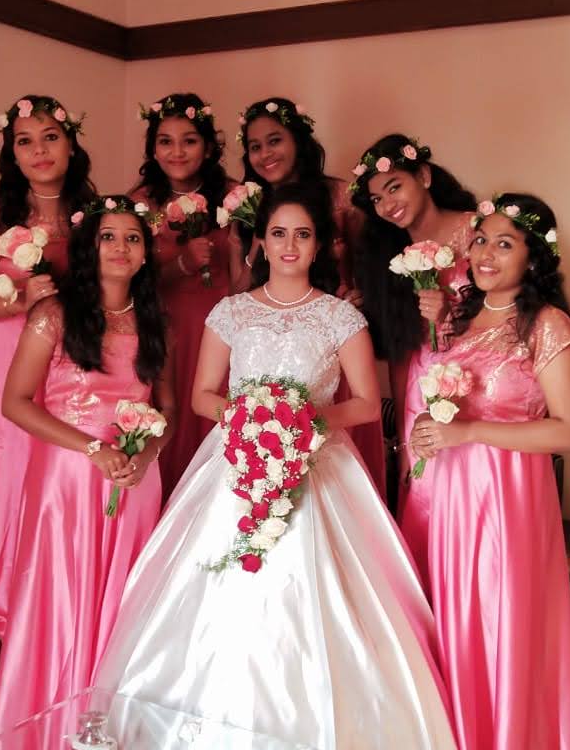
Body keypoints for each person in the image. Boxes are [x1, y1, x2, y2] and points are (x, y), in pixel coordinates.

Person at [97, 184, 482, 750]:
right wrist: (253, 421)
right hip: (234, 466)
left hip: (319, 468)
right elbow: (204, 395)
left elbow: (365, 401)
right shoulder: (231, 311)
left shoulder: (341, 317)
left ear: (318, 245)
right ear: (260, 241)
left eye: (303, 234)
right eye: (279, 233)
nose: (290, 246)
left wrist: (303, 422)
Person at [410, 194, 570, 750]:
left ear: (533, 259)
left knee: (501, 631)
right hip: (446, 498)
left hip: (508, 505)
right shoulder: (455, 317)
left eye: (506, 244)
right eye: (481, 240)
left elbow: (567, 431)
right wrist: (430, 432)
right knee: (452, 630)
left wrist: (473, 431)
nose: (485, 254)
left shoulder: (547, 324)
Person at [0, 197, 173, 750]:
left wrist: (147, 454)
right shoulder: (55, 313)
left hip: (134, 480)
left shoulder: (156, 321)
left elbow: (166, 410)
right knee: (61, 602)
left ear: (145, 254)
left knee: (124, 606)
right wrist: (92, 448)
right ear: (90, 247)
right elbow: (16, 402)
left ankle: (110, 747)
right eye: (109, 236)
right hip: (67, 478)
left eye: (133, 238)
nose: (121, 247)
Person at [0, 94, 96, 634]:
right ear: (12, 153)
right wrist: (18, 302)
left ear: (70, 144)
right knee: (8, 467)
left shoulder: (90, 214)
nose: (39, 150)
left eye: (50, 137)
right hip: (6, 355)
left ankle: (53, 590)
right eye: (25, 141)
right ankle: (1, 596)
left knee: (57, 469)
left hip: (71, 362)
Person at [232, 96, 385, 494]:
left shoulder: (340, 197)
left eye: (275, 140)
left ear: (298, 140)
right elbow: (240, 286)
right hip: (269, 340)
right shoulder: (250, 205)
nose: (265, 154)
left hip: (328, 343)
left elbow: (371, 263)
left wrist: (358, 297)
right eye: (255, 146)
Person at [352, 133, 476, 590]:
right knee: (424, 496)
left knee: (471, 498)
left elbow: (514, 315)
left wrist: (451, 314)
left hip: (477, 381)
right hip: (422, 387)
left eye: (395, 187)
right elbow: (402, 348)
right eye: (376, 199)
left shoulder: (479, 232)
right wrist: (402, 437)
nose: (388, 205)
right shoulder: (389, 258)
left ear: (423, 176)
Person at [131, 92, 234, 498]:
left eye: (189, 140)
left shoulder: (236, 197)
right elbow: (126, 277)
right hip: (166, 326)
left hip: (223, 328)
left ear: (208, 147)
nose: (177, 151)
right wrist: (181, 265)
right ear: (153, 149)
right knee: (169, 412)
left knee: (215, 412)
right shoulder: (140, 204)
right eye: (165, 141)